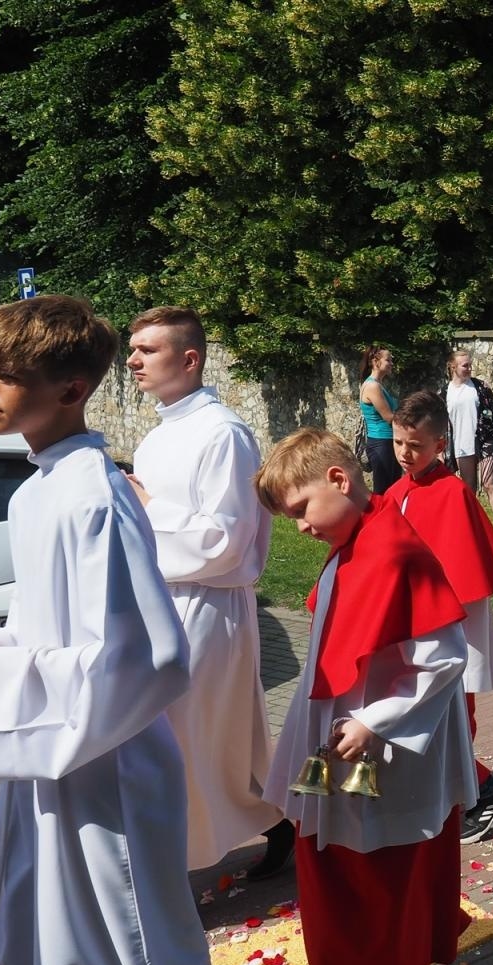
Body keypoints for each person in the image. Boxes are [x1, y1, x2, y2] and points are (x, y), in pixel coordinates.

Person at [0, 295, 225, 965]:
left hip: (106, 774)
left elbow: (149, 659)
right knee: (48, 949)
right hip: (57, 761)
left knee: (122, 963)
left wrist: (2, 674)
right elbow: (67, 633)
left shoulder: (94, 496)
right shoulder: (37, 489)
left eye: (7, 376)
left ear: (71, 388)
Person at [254, 428, 474, 965]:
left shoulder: (392, 550)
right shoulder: (356, 542)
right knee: (340, 868)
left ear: (338, 480)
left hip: (382, 756)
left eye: (300, 510)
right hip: (343, 752)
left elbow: (443, 660)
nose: (298, 527)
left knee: (376, 882)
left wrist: (377, 720)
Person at [125, 305, 293, 878]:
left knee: (191, 742)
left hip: (206, 604)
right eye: (134, 348)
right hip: (163, 602)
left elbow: (226, 538)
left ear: (189, 358)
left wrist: (146, 510)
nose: (132, 359)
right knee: (210, 742)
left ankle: (179, 866)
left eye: (148, 349)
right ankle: (274, 821)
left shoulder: (223, 433)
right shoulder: (159, 433)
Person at [385, 391, 493, 843]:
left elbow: (465, 575)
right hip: (410, 626)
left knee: (452, 717)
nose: (406, 454)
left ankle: (484, 790)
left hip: (447, 631)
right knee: (428, 718)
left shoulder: (452, 493)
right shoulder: (396, 491)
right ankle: (460, 790)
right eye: (399, 443)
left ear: (440, 445)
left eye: (416, 446)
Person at [442, 348, 493, 547]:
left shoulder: (481, 387)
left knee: (490, 483)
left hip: (485, 440)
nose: (469, 368)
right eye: (465, 365)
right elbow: (440, 423)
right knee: (469, 488)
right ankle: (470, 529)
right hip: (461, 445)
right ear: (453, 367)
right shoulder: (445, 392)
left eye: (470, 364)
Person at [359, 344, 402, 493]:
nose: (391, 364)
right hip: (381, 443)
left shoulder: (378, 385)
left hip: (386, 442)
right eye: (388, 360)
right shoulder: (372, 386)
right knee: (383, 492)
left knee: (393, 489)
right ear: (375, 362)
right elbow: (389, 417)